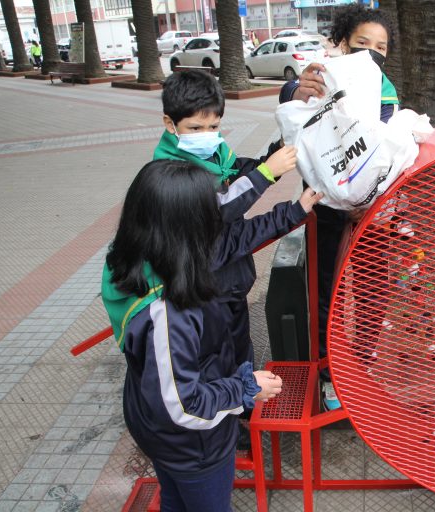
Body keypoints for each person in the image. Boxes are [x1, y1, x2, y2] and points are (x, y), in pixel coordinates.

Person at [102, 159, 322, 512]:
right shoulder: (168, 314)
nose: (219, 223)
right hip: (193, 444)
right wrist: (245, 388)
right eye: (210, 216)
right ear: (188, 228)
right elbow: (182, 405)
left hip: (161, 430)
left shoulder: (146, 259)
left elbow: (234, 241)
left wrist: (293, 211)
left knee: (176, 502)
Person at [154, 69, 298, 448]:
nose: (207, 135)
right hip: (202, 290)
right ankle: (227, 432)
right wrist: (266, 175)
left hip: (231, 282)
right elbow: (219, 209)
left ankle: (247, 403)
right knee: (214, 360)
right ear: (170, 124)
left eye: (214, 126)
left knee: (239, 347)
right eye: (195, 127)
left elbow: (239, 171)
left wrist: (274, 154)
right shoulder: (170, 173)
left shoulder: (216, 152)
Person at [279, 4, 399, 410]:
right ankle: (328, 373)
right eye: (363, 43)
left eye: (381, 47)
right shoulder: (322, 77)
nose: (372, 53)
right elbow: (292, 103)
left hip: (374, 212)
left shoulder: (386, 90)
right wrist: (295, 91)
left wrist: (369, 200)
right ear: (343, 44)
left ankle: (361, 366)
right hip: (325, 208)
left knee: (373, 289)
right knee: (326, 291)